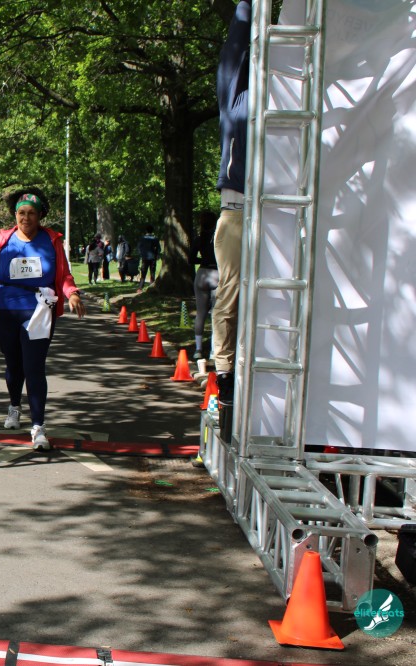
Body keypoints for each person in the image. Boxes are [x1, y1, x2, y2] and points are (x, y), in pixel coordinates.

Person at [0, 188, 85, 451]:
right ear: (15, 215)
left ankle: (38, 427)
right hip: (6, 309)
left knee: (34, 367)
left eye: (31, 213)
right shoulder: (3, 239)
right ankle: (14, 407)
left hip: (39, 310)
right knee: (14, 365)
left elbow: (64, 275)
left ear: (40, 215)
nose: (26, 218)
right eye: (21, 213)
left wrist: (72, 293)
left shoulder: (52, 240)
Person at [214, 0, 251, 441]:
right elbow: (236, 42)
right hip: (239, 211)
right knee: (232, 293)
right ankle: (225, 374)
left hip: (283, 211)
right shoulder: (236, 99)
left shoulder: (293, 92)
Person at [192, 212, 219, 361]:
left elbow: (191, 258)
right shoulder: (218, 238)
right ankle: (214, 350)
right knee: (217, 313)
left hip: (202, 273)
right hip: (216, 273)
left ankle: (198, 349)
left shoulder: (199, 238)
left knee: (200, 313)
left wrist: (203, 260)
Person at [136, 226, 160, 291]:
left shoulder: (142, 238)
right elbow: (158, 248)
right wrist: (157, 254)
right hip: (153, 258)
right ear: (152, 231)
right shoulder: (155, 239)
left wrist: (141, 254)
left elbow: (139, 247)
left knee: (143, 273)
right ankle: (152, 286)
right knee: (152, 273)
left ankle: (140, 287)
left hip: (145, 258)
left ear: (146, 231)